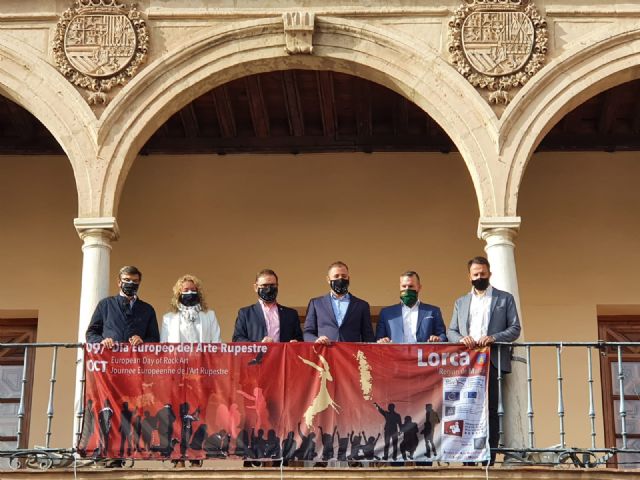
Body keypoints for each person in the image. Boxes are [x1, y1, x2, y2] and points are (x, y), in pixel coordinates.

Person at [448, 256, 521, 466]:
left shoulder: (504, 299)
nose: (479, 277)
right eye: (475, 274)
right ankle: (468, 458)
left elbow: (515, 328)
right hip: (467, 364)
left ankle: (489, 455)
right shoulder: (460, 302)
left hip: (493, 361)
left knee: (491, 409)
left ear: (489, 273)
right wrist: (462, 339)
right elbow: (451, 330)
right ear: (469, 277)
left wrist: (494, 337)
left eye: (482, 273)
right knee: (466, 407)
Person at [86, 266, 159, 347]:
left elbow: (155, 338)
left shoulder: (147, 309)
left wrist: (143, 341)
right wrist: (102, 341)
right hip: (110, 357)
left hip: (136, 358)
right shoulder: (105, 305)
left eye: (135, 281)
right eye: (127, 280)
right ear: (119, 282)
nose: (131, 283)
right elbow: (91, 333)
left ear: (139, 283)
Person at [304, 261, 374, 344]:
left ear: (349, 278)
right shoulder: (316, 303)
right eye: (336, 276)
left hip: (352, 354)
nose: (340, 279)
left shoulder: (361, 305)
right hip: (325, 353)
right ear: (328, 279)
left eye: (344, 276)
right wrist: (316, 340)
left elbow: (368, 336)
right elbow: (307, 333)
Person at [232, 269, 303, 343]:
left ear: (277, 286)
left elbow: (300, 339)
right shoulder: (245, 313)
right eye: (264, 285)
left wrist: (295, 343)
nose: (269, 289)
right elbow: (237, 339)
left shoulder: (291, 314)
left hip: (282, 354)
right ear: (256, 287)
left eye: (272, 285)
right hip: (258, 354)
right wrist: (259, 345)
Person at [376, 271, 447, 343]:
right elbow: (378, 339)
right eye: (404, 286)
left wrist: (438, 339)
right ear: (400, 287)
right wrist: (382, 340)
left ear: (419, 287)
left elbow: (443, 336)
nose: (407, 289)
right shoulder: (386, 313)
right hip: (396, 353)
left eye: (411, 286)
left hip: (423, 353)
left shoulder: (433, 311)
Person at [161, 274, 221, 343]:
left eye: (193, 290)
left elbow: (217, 342)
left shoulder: (210, 315)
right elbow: (163, 345)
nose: (190, 292)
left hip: (203, 354)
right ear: (179, 293)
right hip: (178, 354)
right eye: (186, 290)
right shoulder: (168, 318)